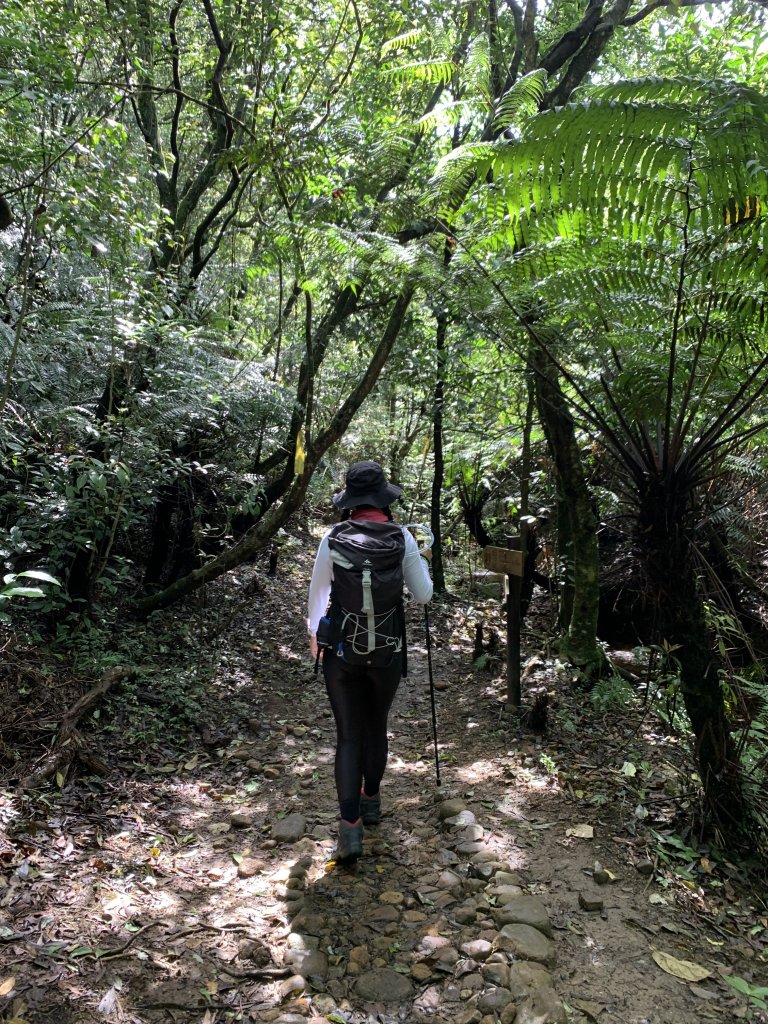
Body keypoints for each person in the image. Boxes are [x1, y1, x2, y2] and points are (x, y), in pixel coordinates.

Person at [307, 461, 433, 863]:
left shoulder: (332, 538)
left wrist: (315, 636)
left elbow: (318, 595)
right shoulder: (403, 539)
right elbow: (424, 595)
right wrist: (421, 559)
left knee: (348, 736)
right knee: (376, 724)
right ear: (383, 499)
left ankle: (349, 831)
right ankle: (371, 801)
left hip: (341, 651)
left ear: (350, 502)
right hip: (387, 652)